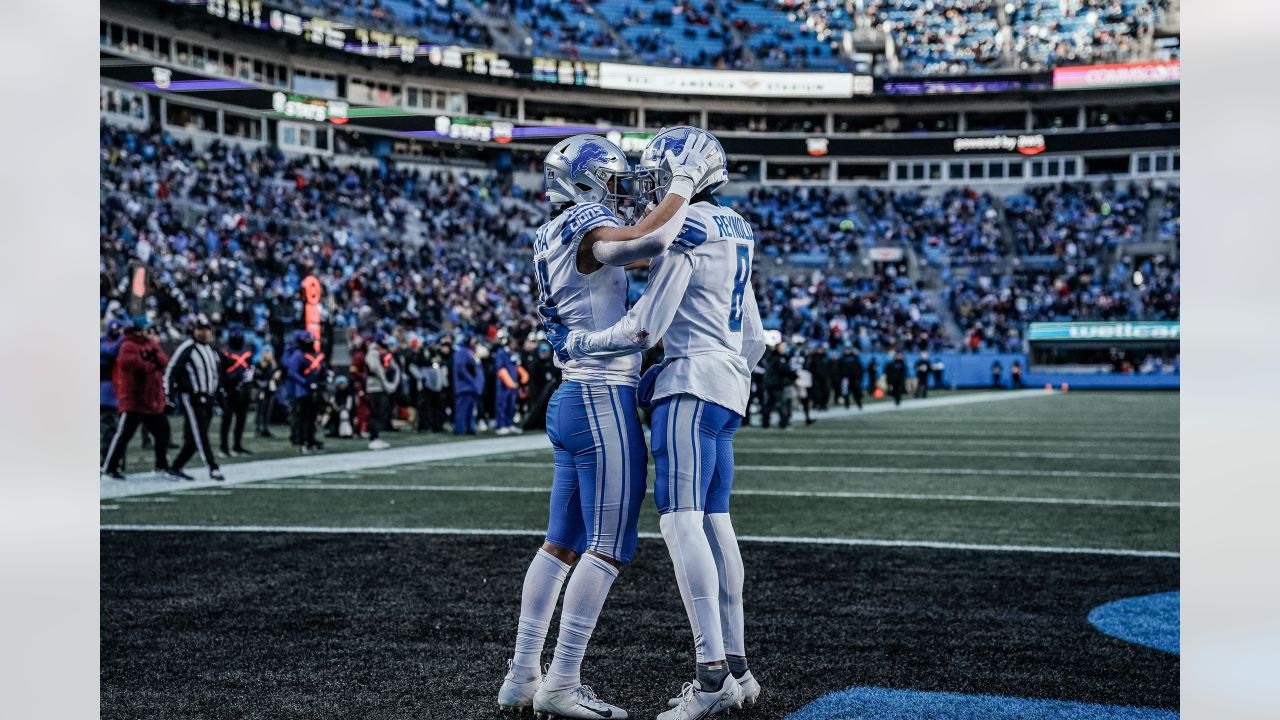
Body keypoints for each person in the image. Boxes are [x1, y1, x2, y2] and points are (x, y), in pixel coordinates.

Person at [548, 127, 764, 719]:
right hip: (727, 386)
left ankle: (712, 676)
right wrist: (729, 375)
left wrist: (583, 341)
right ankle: (739, 670)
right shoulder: (736, 225)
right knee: (718, 526)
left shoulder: (687, 227)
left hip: (689, 384)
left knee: (681, 524)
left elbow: (646, 330)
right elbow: (753, 336)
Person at [498, 132, 714, 720]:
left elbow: (639, 250)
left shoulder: (551, 231)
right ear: (586, 180)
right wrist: (684, 185)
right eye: (613, 180)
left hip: (571, 395)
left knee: (560, 542)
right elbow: (650, 238)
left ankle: (522, 674)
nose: (620, 192)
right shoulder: (583, 219)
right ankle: (561, 683)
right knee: (609, 545)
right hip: (599, 397)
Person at [101, 316, 176, 480]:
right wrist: (150, 363)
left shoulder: (149, 344)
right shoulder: (128, 345)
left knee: (163, 432)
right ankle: (109, 468)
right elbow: (134, 365)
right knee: (123, 435)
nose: (150, 333)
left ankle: (161, 466)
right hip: (134, 399)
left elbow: (164, 361)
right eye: (147, 329)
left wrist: (151, 360)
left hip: (151, 398)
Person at [164, 314, 224, 480]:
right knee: (200, 434)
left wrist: (218, 394)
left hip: (208, 398)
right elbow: (170, 371)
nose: (203, 333)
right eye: (200, 329)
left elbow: (215, 374)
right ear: (194, 330)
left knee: (194, 437)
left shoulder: (210, 350)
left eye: (206, 330)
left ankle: (175, 467)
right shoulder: (187, 348)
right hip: (192, 398)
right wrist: (169, 395)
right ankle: (213, 467)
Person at [284, 330, 327, 454]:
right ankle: (302, 441)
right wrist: (306, 382)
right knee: (302, 417)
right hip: (302, 391)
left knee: (312, 417)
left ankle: (311, 440)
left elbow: (321, 368)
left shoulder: (315, 354)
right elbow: (292, 372)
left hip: (315, 389)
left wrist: (322, 378)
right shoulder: (298, 354)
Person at [218, 326, 255, 456]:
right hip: (230, 389)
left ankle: (237, 445)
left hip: (243, 389)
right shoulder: (225, 352)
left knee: (241, 419)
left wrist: (247, 383)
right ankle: (224, 447)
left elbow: (250, 369)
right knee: (227, 419)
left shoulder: (247, 352)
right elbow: (221, 373)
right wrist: (223, 387)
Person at [365, 333, 400, 450]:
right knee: (375, 412)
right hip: (375, 387)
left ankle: (377, 436)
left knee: (382, 412)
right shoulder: (373, 353)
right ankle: (373, 437)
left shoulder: (385, 353)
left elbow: (395, 368)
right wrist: (387, 384)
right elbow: (376, 370)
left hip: (384, 386)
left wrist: (392, 384)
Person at [100, 319, 125, 465]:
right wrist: (124, 336)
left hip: (116, 394)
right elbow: (110, 350)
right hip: (106, 395)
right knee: (108, 431)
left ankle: (115, 461)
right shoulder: (103, 342)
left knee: (116, 430)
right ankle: (107, 461)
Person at [493, 331, 527, 435]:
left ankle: (509, 424)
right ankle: (501, 425)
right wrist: (509, 382)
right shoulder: (501, 353)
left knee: (511, 405)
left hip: (514, 383)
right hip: (503, 384)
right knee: (502, 404)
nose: (515, 345)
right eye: (513, 343)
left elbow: (517, 367)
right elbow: (500, 369)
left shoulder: (514, 354)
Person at [760, 333, 794, 429]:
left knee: (769, 404)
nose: (784, 348)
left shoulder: (771, 356)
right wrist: (795, 376)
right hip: (776, 384)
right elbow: (784, 370)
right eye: (783, 347)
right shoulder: (778, 358)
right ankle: (783, 422)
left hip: (769, 383)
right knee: (780, 403)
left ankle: (765, 422)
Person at [452, 336, 484, 435]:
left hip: (471, 387)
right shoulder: (462, 352)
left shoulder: (470, 352)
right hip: (465, 386)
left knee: (470, 409)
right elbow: (461, 369)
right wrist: (472, 381)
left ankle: (470, 428)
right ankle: (459, 429)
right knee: (462, 409)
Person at [253, 347, 279, 438]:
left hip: (270, 390)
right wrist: (263, 387)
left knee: (268, 410)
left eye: (270, 353)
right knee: (260, 410)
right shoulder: (259, 364)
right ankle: (258, 428)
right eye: (266, 353)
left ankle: (265, 428)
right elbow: (256, 378)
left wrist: (277, 377)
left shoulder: (273, 365)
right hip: (262, 390)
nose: (268, 355)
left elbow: (276, 378)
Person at [837, 344, 863, 410]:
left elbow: (859, 367)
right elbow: (839, 368)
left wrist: (859, 375)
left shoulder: (854, 357)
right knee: (846, 392)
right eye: (846, 349)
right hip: (845, 378)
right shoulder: (842, 358)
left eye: (848, 349)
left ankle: (859, 404)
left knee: (856, 391)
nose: (847, 351)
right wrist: (841, 376)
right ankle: (847, 404)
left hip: (854, 377)